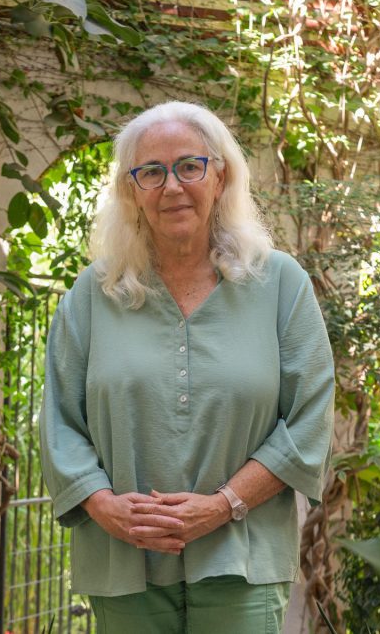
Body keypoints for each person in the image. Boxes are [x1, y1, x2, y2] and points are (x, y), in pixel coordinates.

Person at [38, 100, 335, 633]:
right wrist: (104, 506)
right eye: (151, 172)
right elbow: (61, 420)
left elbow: (309, 421)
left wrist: (223, 505)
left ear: (220, 177)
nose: (172, 186)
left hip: (242, 555)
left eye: (189, 166)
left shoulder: (280, 284)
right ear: (131, 191)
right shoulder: (93, 293)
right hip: (123, 557)